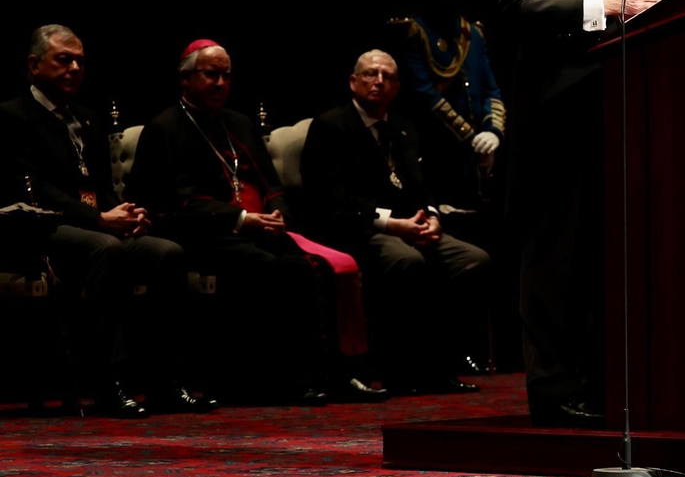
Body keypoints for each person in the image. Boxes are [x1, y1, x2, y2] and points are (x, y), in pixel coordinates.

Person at [496, 0, 685, 425]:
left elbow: (634, 8)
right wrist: (602, 3)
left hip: (619, 115)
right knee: (557, 259)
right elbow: (516, 7)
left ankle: (606, 383)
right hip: (557, 117)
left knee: (609, 256)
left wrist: (668, 3)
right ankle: (554, 394)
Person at [126, 40, 385, 404]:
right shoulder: (164, 127)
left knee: (322, 266)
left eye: (226, 76)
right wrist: (243, 219)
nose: (220, 83)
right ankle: (283, 379)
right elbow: (173, 199)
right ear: (185, 79)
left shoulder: (240, 124)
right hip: (206, 235)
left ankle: (338, 374)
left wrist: (278, 214)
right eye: (210, 74)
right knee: (277, 269)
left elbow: (272, 183)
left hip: (260, 230)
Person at [0, 24, 213, 416]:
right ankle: (108, 381)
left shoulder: (87, 117)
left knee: (166, 253)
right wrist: (99, 218)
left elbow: (99, 183)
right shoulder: (12, 116)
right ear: (34, 65)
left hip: (96, 221)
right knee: (106, 249)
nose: (75, 68)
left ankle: (164, 380)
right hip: (41, 228)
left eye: (80, 61)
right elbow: (37, 187)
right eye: (63, 59)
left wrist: (126, 212)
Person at [299, 49, 489, 393]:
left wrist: (431, 218)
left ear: (398, 87)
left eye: (387, 76)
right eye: (371, 74)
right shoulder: (331, 126)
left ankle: (441, 364)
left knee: (473, 261)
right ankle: (401, 370)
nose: (379, 81)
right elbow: (331, 197)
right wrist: (392, 224)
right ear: (353, 82)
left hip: (409, 227)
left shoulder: (404, 128)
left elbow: (423, 186)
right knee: (406, 261)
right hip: (355, 229)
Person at [397, 0, 506, 211]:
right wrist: (471, 137)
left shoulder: (472, 32)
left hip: (477, 159)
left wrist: (493, 132)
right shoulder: (414, 32)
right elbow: (425, 96)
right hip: (435, 155)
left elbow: (491, 89)